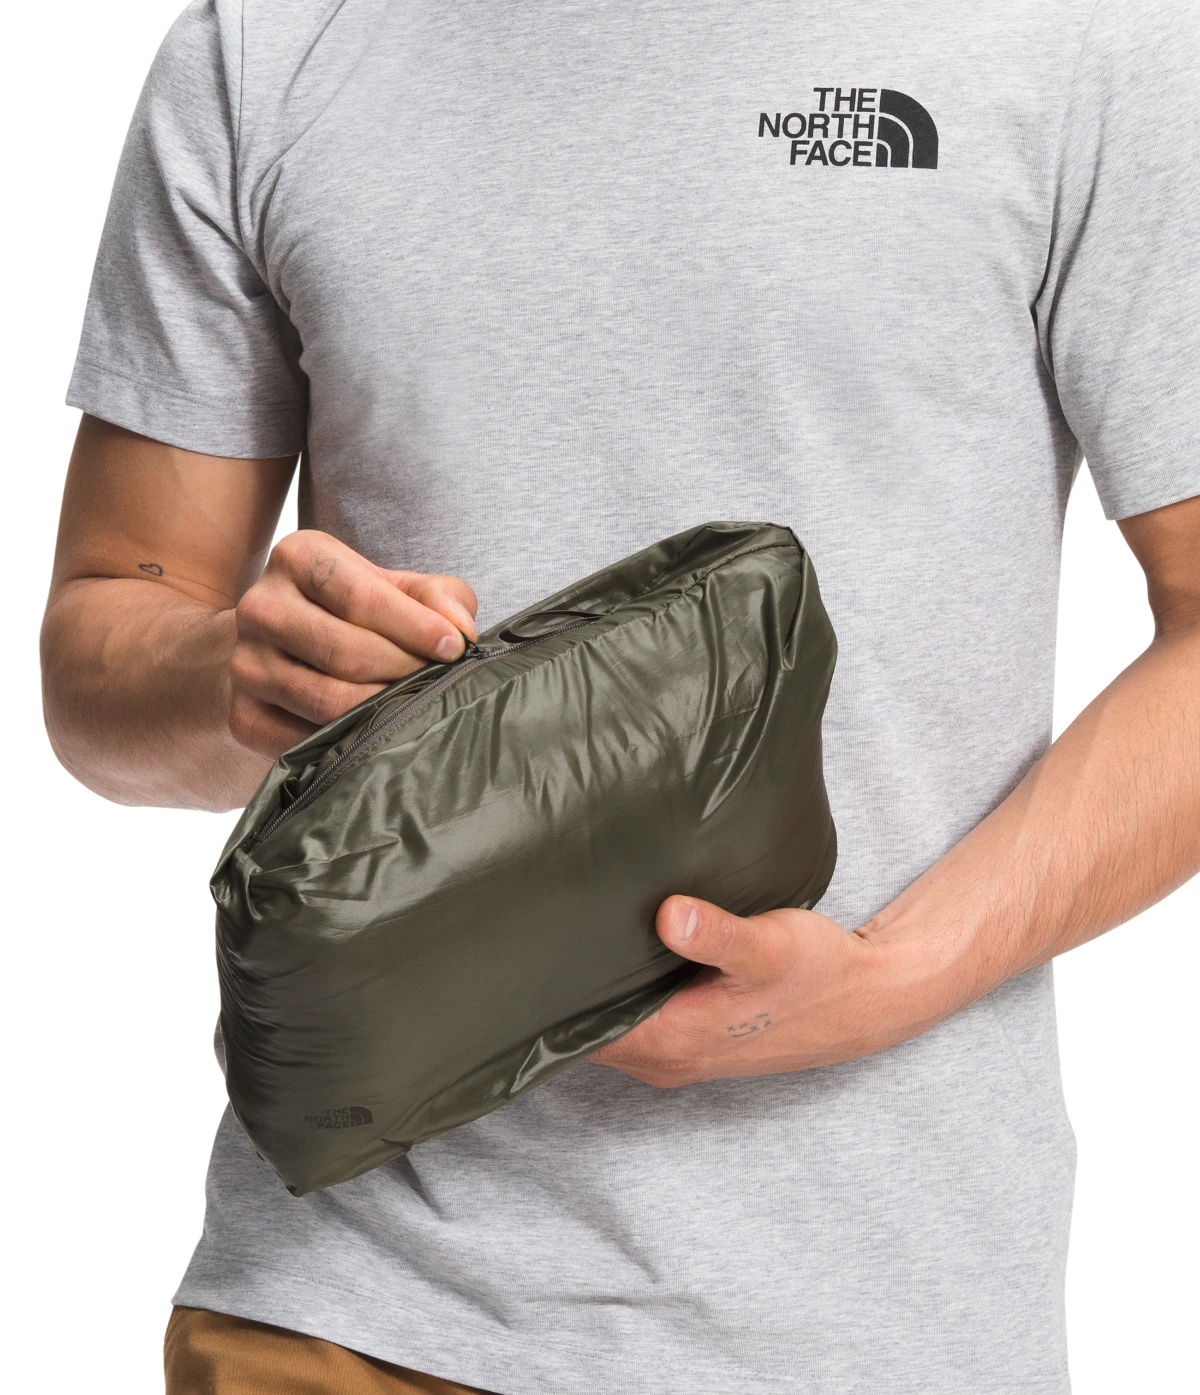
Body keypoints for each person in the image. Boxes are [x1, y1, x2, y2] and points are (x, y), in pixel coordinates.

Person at [42, 2, 1200, 1392]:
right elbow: (105, 636)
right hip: (347, 1309)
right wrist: (232, 672)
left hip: (871, 1322)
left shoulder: (1089, 39)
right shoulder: (265, 45)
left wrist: (893, 977)